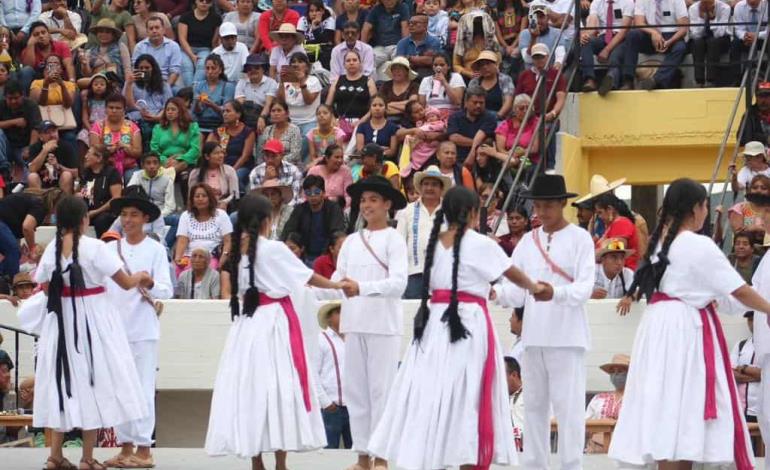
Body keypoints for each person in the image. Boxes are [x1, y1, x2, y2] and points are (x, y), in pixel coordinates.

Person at [369, 185, 540, 469]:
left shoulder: (434, 243)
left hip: (434, 323)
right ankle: (465, 456)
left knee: (430, 390)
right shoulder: (481, 244)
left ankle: (424, 454)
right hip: (467, 324)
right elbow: (511, 273)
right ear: (473, 213)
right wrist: (536, 287)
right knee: (466, 393)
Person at [609, 178, 770, 470]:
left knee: (667, 410)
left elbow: (719, 294)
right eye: (706, 206)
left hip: (658, 330)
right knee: (682, 412)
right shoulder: (697, 244)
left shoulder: (659, 244)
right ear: (696, 207)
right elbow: (738, 290)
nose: (706, 212)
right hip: (684, 332)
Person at [204, 194, 343, 469]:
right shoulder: (274, 249)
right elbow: (307, 276)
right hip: (274, 324)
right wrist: (337, 285)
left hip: (246, 325)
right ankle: (281, 462)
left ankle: (256, 460)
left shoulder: (235, 250)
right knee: (281, 387)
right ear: (268, 219)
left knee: (251, 388)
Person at [33, 195, 153, 470]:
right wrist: (142, 277)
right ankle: (87, 457)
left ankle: (55, 455)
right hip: (92, 321)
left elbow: (42, 283)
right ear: (84, 219)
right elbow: (125, 283)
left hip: (61, 321)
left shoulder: (51, 247)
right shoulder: (96, 247)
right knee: (93, 381)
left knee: (62, 382)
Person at [495, 174, 595, 470]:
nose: (541, 212)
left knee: (569, 411)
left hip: (567, 338)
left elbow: (585, 287)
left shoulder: (580, 239)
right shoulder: (528, 241)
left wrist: (556, 293)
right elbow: (516, 288)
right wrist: (495, 292)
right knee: (534, 408)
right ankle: (534, 466)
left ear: (562, 204)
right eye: (537, 206)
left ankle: (570, 466)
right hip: (534, 337)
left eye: (548, 206)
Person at [314, 175, 407, 470]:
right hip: (353, 325)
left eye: (373, 200)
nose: (367, 205)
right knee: (357, 393)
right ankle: (363, 456)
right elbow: (338, 282)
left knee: (382, 392)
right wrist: (307, 285)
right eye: (363, 200)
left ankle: (382, 456)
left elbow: (399, 283)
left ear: (387, 204)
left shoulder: (394, 239)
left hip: (383, 326)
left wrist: (362, 288)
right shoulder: (352, 242)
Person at [103, 186, 173, 470]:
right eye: (124, 214)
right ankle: (125, 447)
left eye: (133, 215)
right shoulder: (108, 249)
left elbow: (167, 290)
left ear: (145, 218)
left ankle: (145, 449)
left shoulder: (156, 250)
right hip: (116, 329)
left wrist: (150, 283)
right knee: (120, 389)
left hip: (143, 329)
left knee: (143, 388)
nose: (128, 220)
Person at [395, 165, 450, 299]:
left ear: (441, 188)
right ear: (420, 187)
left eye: (434, 184)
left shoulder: (451, 212)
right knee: (413, 315)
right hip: (414, 273)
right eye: (426, 184)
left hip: (443, 274)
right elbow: (398, 244)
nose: (429, 188)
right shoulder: (407, 211)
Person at [513, 43, 566, 170]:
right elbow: (517, 98)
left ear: (547, 57)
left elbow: (560, 98)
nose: (539, 60)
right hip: (527, 117)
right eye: (536, 57)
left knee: (548, 129)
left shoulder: (556, 74)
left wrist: (552, 113)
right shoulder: (525, 75)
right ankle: (526, 167)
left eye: (541, 57)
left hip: (546, 117)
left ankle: (549, 167)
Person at [621, 0, 688, 90]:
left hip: (672, 35)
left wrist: (670, 41)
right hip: (650, 34)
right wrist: (654, 33)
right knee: (632, 35)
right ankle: (628, 81)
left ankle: (657, 80)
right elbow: (639, 23)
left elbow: (683, 28)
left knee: (680, 48)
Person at [282, 175, 346, 265]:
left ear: (323, 193)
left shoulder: (333, 208)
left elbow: (336, 232)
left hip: (328, 257)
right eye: (308, 193)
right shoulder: (300, 209)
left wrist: (324, 257)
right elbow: (288, 230)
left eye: (316, 192)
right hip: (304, 257)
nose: (313, 196)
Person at [174, 183, 234, 275]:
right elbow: (182, 240)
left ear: (210, 198)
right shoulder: (185, 216)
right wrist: (178, 259)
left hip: (211, 257)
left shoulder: (221, 215)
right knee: (175, 271)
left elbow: (227, 241)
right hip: (189, 257)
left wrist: (223, 260)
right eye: (197, 196)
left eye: (204, 196)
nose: (200, 199)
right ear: (192, 200)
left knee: (207, 272)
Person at [316, 302, 352, 449]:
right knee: (329, 451)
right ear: (329, 318)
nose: (343, 315)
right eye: (338, 312)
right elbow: (313, 373)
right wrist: (326, 402)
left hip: (353, 407)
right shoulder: (321, 339)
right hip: (332, 407)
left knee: (358, 451)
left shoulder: (353, 338)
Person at [580, 0, 633, 95]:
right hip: (603, 37)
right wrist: (585, 35)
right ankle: (590, 79)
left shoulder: (627, 2)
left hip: (621, 38)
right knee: (586, 42)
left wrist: (607, 50)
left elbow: (624, 31)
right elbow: (592, 23)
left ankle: (610, 80)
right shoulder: (596, 2)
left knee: (615, 56)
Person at [89, 93, 143, 183]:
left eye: (118, 108)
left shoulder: (133, 127)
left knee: (132, 179)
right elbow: (94, 151)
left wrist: (125, 146)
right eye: (111, 107)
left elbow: (138, 152)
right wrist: (108, 150)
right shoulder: (97, 127)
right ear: (105, 109)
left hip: (129, 167)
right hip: (105, 166)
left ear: (124, 110)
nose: (114, 110)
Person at [127, 152, 177, 247]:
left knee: (176, 221)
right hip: (141, 214)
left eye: (155, 163)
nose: (152, 166)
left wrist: (156, 215)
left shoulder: (167, 180)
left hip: (160, 214)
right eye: (148, 163)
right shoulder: (136, 176)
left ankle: (165, 246)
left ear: (159, 165)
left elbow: (170, 206)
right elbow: (130, 194)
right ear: (142, 165)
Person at [277, 52, 322, 156]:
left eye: (300, 62)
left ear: (307, 67)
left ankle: (292, 160)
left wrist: (302, 82)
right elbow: (281, 102)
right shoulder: (287, 82)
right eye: (293, 62)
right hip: (290, 122)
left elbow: (308, 100)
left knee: (306, 138)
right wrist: (281, 82)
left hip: (310, 122)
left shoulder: (313, 81)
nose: (296, 64)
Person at [125, 54, 174, 147]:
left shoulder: (163, 85)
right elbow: (128, 105)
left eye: (147, 68)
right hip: (136, 119)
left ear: (153, 69)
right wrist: (129, 84)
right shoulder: (131, 83)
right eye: (141, 68)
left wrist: (157, 117)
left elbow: (168, 105)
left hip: (158, 118)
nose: (144, 70)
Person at [207, 100, 256, 192]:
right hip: (222, 166)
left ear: (238, 114)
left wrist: (232, 171)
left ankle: (240, 201)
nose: (224, 114)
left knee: (235, 177)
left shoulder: (248, 131)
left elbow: (245, 156)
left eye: (228, 111)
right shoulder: (220, 131)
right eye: (223, 111)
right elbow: (208, 151)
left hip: (241, 166)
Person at [585, 354, 629, 453]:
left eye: (620, 371)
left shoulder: (636, 400)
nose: (616, 374)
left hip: (625, 450)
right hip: (597, 448)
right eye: (613, 371)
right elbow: (586, 424)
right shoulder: (598, 399)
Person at [0, 80, 41, 180]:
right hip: (6, 147)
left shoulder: (31, 105)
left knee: (29, 169)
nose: (13, 101)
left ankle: (23, 187)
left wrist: (30, 148)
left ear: (22, 95)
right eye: (10, 98)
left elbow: (36, 128)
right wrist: (13, 122)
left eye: (16, 98)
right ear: (5, 97)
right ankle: (4, 169)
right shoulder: (1, 105)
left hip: (24, 147)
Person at [448, 86, 497, 167]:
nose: (478, 105)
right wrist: (480, 143)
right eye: (475, 102)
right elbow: (454, 138)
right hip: (457, 159)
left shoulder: (490, 117)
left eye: (481, 103)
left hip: (483, 162)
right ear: (466, 103)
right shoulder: (455, 117)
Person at [326, 50, 378, 126]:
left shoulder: (369, 81)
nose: (351, 63)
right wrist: (334, 121)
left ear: (360, 63)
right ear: (344, 64)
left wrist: (361, 122)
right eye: (348, 60)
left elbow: (376, 105)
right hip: (340, 123)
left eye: (354, 60)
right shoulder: (337, 80)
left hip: (363, 123)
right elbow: (327, 105)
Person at [150, 97, 203, 173]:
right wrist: (165, 160)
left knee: (183, 168)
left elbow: (195, 149)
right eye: (167, 110)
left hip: (185, 161)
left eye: (173, 109)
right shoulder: (158, 128)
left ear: (180, 111)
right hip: (164, 162)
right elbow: (154, 150)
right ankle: (169, 173)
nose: (169, 112)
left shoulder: (192, 127)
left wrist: (180, 159)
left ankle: (169, 173)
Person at [362, 0, 410, 81]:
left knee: (400, 61)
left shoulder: (403, 7)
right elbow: (365, 29)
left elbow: (405, 27)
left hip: (396, 46)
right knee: (368, 61)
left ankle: (400, 87)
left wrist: (404, 47)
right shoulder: (376, 9)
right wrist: (363, 49)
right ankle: (372, 87)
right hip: (380, 47)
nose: (389, 1)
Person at [80, 148, 123, 237]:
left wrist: (95, 212)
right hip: (88, 212)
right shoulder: (86, 173)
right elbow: (84, 192)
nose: (85, 156)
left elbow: (116, 198)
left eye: (89, 154)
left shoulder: (112, 173)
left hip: (106, 212)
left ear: (99, 158)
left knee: (101, 220)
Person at [178, 0, 222, 87]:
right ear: (196, 2)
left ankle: (194, 90)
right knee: (187, 67)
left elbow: (214, 41)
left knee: (202, 65)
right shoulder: (185, 17)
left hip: (205, 49)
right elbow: (182, 39)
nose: (204, 2)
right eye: (201, 0)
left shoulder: (216, 18)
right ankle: (190, 91)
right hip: (186, 49)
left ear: (211, 3)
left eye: (208, 1)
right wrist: (191, 55)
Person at [130, 15, 182, 89]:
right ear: (147, 31)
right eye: (151, 28)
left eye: (157, 28)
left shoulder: (173, 46)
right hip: (144, 82)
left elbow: (175, 71)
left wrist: (165, 89)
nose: (154, 31)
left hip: (166, 82)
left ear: (163, 30)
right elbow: (135, 69)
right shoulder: (140, 46)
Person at [19, 22, 75, 91]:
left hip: (60, 80)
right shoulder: (27, 50)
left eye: (43, 32)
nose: (41, 36)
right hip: (38, 84)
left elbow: (69, 65)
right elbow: (27, 68)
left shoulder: (61, 46)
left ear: (49, 34)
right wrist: (30, 45)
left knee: (73, 87)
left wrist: (72, 81)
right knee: (26, 70)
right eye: (36, 35)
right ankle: (25, 99)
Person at [27, 120, 78, 195]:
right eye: (47, 132)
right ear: (40, 136)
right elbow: (31, 169)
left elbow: (76, 173)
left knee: (67, 175)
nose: (52, 135)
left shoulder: (66, 146)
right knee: (32, 177)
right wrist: (44, 151)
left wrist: (58, 166)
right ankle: (38, 205)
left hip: (60, 183)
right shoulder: (35, 148)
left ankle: (64, 205)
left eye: (54, 131)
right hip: (42, 185)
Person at [0, 192, 44, 278]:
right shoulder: (38, 206)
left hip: (6, 222)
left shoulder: (30, 201)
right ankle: (12, 280)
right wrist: (32, 248)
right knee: (13, 251)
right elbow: (27, 227)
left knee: (15, 253)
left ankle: (5, 277)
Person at [688, 0, 731, 88]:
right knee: (697, 43)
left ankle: (711, 80)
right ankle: (699, 80)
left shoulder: (725, 8)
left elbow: (719, 33)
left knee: (712, 42)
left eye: (709, 2)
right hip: (702, 39)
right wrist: (701, 18)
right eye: (704, 2)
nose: (706, 4)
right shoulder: (693, 8)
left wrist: (712, 19)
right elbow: (696, 35)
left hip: (721, 40)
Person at [593, 192, 640, 270]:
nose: (599, 217)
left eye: (600, 212)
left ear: (609, 209)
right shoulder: (614, 225)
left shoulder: (621, 222)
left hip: (623, 276)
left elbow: (616, 251)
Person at [249, 138, 304, 203]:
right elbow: (255, 200)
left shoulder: (293, 170)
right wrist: (266, 180)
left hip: (288, 209)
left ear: (282, 156)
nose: (270, 160)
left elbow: (294, 198)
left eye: (273, 156)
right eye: (267, 156)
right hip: (264, 209)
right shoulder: (255, 172)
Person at [79, 18, 132, 85]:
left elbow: (127, 69)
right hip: (96, 84)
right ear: (97, 34)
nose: (104, 34)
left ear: (113, 34)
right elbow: (87, 75)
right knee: (81, 85)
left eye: (107, 32)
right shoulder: (89, 51)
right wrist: (84, 64)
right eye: (101, 31)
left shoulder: (121, 47)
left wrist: (127, 87)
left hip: (115, 84)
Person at [234, 53, 278, 133]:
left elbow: (268, 104)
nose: (253, 70)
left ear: (263, 69)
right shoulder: (241, 82)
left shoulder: (271, 83)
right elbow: (240, 103)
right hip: (245, 117)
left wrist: (262, 117)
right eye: (249, 69)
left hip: (265, 116)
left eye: (257, 67)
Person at [193, 54, 236, 134]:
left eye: (213, 68)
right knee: (199, 144)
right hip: (202, 124)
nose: (210, 72)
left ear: (220, 70)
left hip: (221, 125)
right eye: (207, 68)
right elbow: (195, 112)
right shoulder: (198, 85)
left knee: (216, 144)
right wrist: (197, 103)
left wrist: (213, 105)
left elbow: (228, 112)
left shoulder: (228, 86)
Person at [190, 142, 240, 210]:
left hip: (224, 206)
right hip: (202, 206)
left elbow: (234, 194)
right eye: (216, 153)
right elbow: (191, 196)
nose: (221, 155)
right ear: (207, 156)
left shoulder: (230, 171)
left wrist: (224, 202)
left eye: (222, 153)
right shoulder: (195, 173)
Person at [255, 100, 303, 169]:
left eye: (279, 110)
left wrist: (276, 162)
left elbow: (295, 154)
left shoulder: (294, 130)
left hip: (289, 167)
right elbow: (261, 153)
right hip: (268, 166)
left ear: (287, 113)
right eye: (273, 111)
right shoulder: (267, 130)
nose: (276, 113)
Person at [732, 311, 761, 423]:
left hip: (765, 411)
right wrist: (759, 375)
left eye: (754, 319)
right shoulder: (741, 345)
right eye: (749, 320)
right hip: (742, 410)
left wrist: (744, 368)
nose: (752, 323)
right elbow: (731, 374)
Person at [467, 51, 514, 120]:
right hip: (476, 118)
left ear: (496, 65)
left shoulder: (505, 80)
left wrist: (497, 117)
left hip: (498, 118)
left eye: (488, 64)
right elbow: (468, 102)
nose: (485, 67)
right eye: (481, 65)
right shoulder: (474, 82)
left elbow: (508, 102)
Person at [418, 53, 465, 120]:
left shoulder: (456, 77)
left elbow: (457, 102)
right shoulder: (426, 80)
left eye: (442, 65)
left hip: (451, 115)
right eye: (435, 65)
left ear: (448, 66)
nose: (438, 68)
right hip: (431, 115)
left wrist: (444, 82)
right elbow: (422, 105)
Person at [395, 13, 443, 80]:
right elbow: (400, 63)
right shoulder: (402, 42)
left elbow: (432, 61)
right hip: (407, 74)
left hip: (428, 75)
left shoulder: (434, 41)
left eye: (415, 23)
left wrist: (409, 58)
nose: (411, 25)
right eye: (410, 23)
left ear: (425, 26)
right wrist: (422, 59)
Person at [355, 95, 399, 161]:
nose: (377, 108)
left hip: (385, 162)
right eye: (374, 105)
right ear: (370, 108)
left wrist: (372, 151)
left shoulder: (392, 127)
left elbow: (392, 151)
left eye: (381, 105)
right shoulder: (362, 127)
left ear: (386, 108)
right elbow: (360, 149)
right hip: (365, 162)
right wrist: (380, 149)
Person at [729, 174, 770, 246]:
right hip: (745, 251)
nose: (759, 190)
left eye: (763, 188)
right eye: (755, 188)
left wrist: (756, 228)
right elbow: (738, 233)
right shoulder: (740, 208)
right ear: (750, 190)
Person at [379, 57, 419, 124]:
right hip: (386, 121)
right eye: (394, 69)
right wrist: (405, 109)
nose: (397, 71)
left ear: (407, 71)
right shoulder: (385, 85)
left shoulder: (414, 86)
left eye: (400, 69)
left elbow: (413, 105)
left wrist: (390, 104)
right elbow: (380, 107)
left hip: (408, 122)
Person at [297, 0, 335, 70]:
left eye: (317, 11)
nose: (314, 14)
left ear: (323, 11)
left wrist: (315, 28)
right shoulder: (302, 20)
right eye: (311, 11)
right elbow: (299, 40)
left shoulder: (329, 20)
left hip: (323, 53)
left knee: (326, 51)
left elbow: (325, 41)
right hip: (306, 51)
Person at [506, 355, 525, 453]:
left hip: (528, 449)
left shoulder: (533, 395)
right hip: (507, 449)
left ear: (514, 375)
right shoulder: (498, 398)